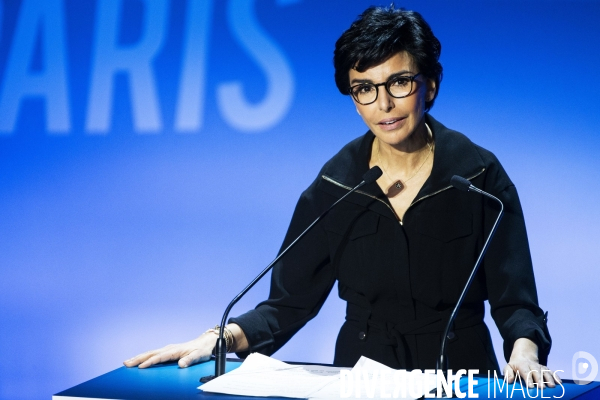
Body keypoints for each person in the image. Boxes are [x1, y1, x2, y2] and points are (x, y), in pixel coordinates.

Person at [124, 6, 559, 388]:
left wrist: (524, 352)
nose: (383, 104)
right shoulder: (336, 184)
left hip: (460, 377)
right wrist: (215, 339)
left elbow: (516, 301)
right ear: (354, 99)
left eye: (399, 83)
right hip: (360, 379)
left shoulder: (479, 177)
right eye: (364, 88)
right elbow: (286, 305)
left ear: (430, 84)